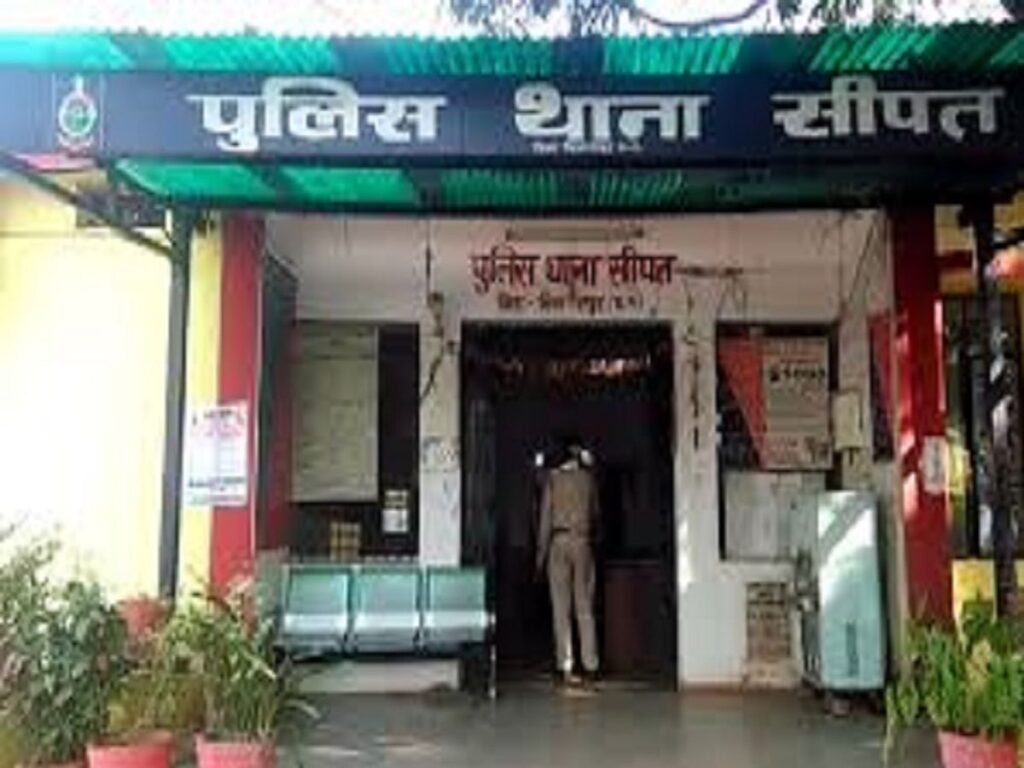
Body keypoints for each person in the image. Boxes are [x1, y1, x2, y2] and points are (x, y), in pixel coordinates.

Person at [536, 436, 600, 688]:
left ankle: (565, 666)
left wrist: (540, 556)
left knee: (560, 608)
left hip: (558, 542)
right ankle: (591, 665)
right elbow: (596, 513)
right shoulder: (588, 480)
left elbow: (545, 519)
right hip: (582, 542)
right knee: (585, 607)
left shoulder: (552, 479)